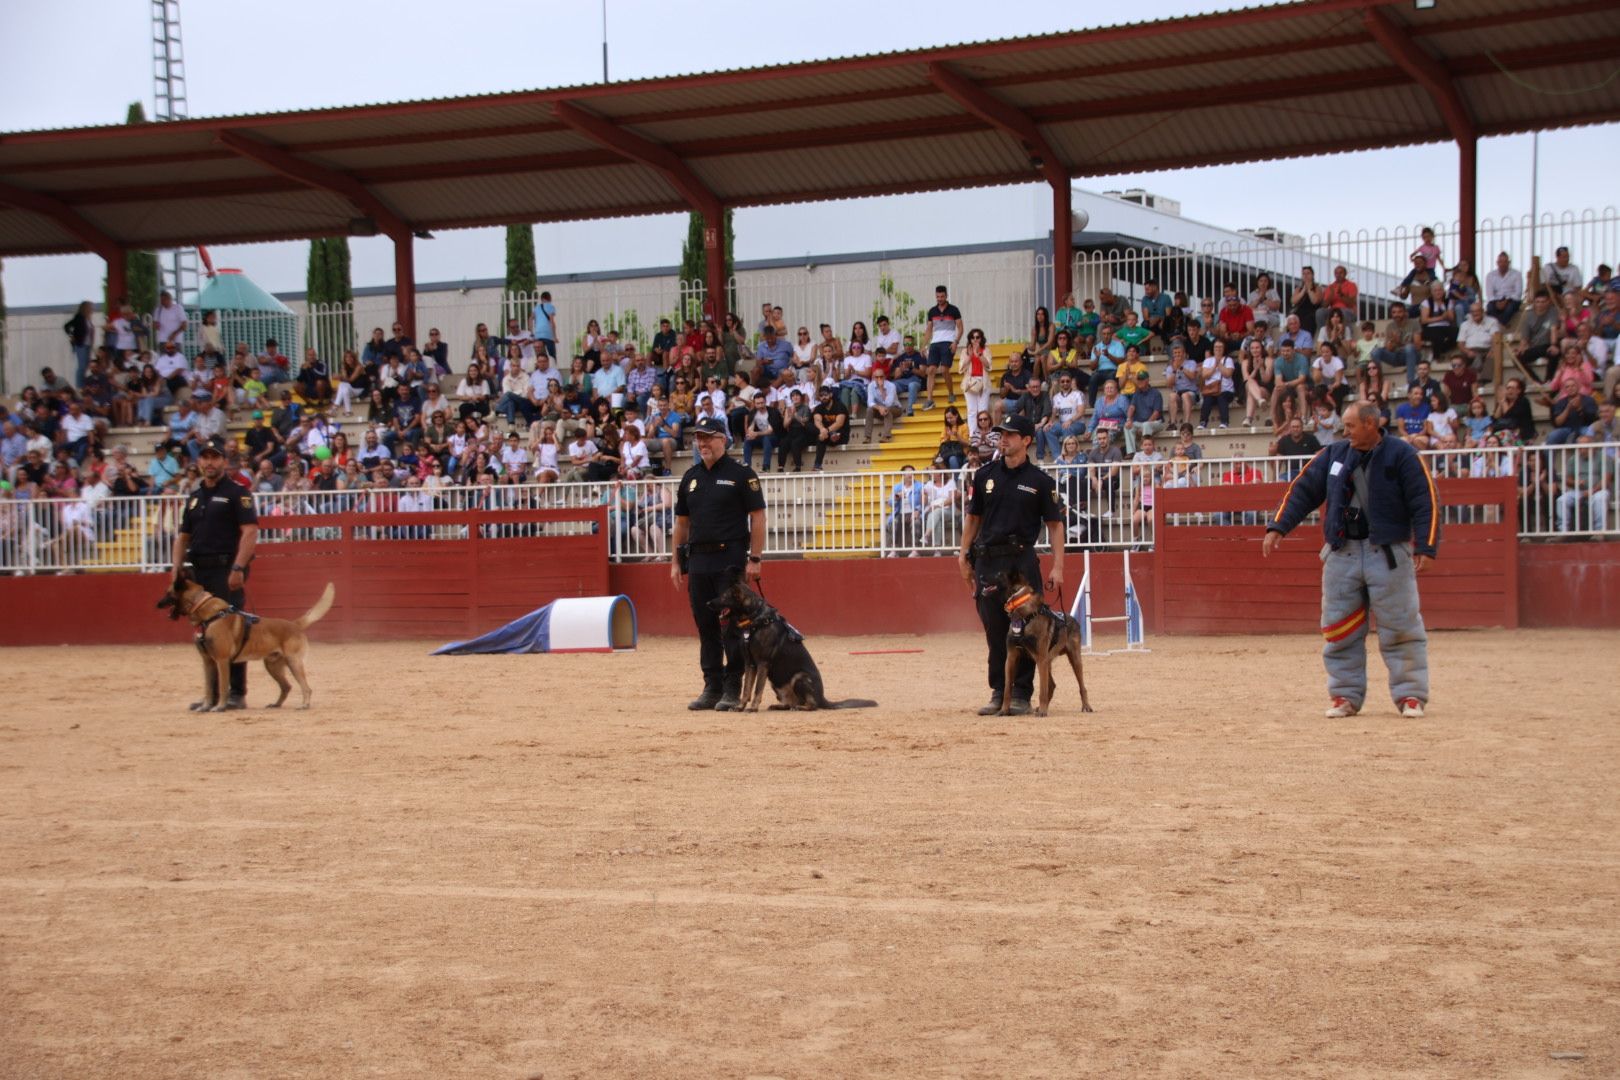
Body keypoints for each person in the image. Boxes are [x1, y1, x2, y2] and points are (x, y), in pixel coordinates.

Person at [1263, 401, 1438, 719]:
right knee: (1339, 629)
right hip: (1341, 553)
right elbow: (1303, 490)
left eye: (1351, 426)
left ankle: (1410, 694)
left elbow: (1425, 501)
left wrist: (1425, 547)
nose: (1345, 432)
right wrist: (1279, 526)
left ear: (1371, 424)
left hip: (1387, 553)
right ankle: (1344, 695)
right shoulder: (1333, 454)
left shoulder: (1402, 455)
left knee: (1401, 627)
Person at [956, 414, 1066, 717]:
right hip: (988, 561)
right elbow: (973, 518)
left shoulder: (1040, 482)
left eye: (1011, 435)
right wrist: (963, 554)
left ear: (1027, 440)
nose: (1003, 439)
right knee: (995, 631)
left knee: (1027, 630)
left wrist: (1059, 566)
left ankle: (1020, 694)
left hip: (1021, 563)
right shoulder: (984, 476)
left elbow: (1055, 525)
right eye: (1001, 434)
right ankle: (998, 692)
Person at [670, 416, 766, 712]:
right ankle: (711, 686)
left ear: (723, 439)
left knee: (731, 627)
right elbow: (682, 523)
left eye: (708, 437)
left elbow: (758, 517)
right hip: (698, 561)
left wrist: (756, 559)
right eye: (698, 438)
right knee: (705, 625)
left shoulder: (741, 473)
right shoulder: (691, 477)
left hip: (730, 560)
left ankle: (732, 686)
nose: (702, 443)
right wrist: (675, 561)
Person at [170, 438, 260, 711]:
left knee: (232, 630)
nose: (209, 462)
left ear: (224, 461)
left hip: (225, 569)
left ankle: (236, 692)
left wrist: (238, 567)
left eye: (215, 457)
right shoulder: (195, 497)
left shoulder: (237, 493)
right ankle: (212, 694)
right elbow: (183, 537)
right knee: (203, 631)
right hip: (198, 573)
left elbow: (250, 531)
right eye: (205, 457)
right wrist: (176, 572)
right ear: (199, 462)